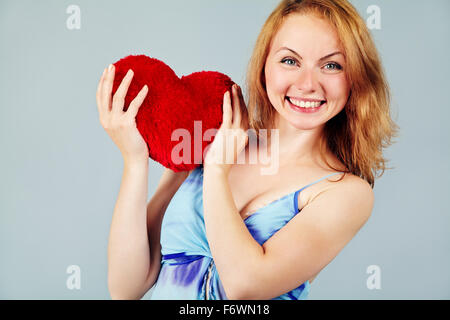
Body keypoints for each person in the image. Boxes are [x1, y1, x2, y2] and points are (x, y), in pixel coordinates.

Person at [96, 0, 398, 300]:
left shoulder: (346, 193)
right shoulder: (212, 134)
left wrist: (216, 169)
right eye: (290, 61)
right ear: (264, 68)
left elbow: (245, 287)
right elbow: (126, 288)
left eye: (331, 65)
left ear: (354, 79)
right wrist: (135, 161)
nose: (307, 84)